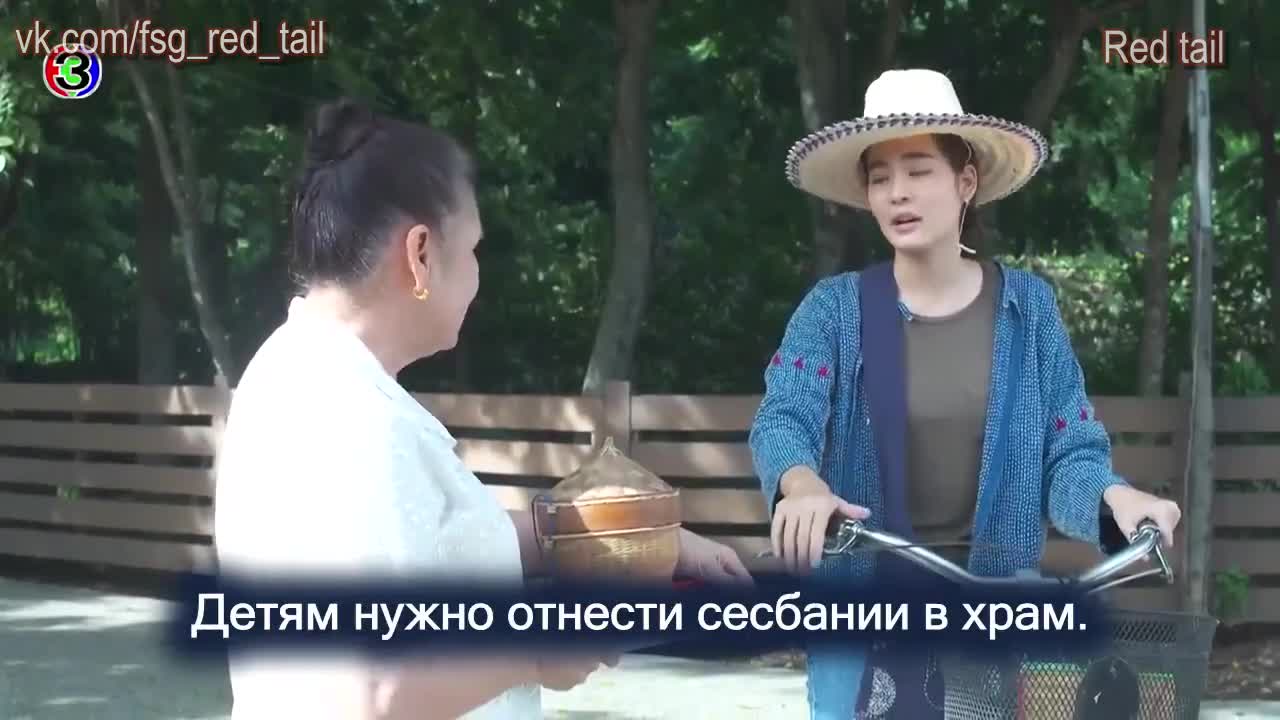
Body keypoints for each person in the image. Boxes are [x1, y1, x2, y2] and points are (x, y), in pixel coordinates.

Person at [213, 97, 753, 720]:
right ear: (420, 253)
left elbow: (445, 543)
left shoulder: (303, 372)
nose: (477, 275)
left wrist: (647, 540)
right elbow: (368, 689)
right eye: (472, 250)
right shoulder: (349, 416)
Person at [748, 68, 1183, 719]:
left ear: (966, 182)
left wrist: (1115, 499)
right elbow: (784, 416)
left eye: (919, 170)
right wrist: (801, 484)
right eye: (880, 177)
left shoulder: (1029, 311)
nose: (898, 191)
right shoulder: (833, 311)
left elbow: (1069, 452)